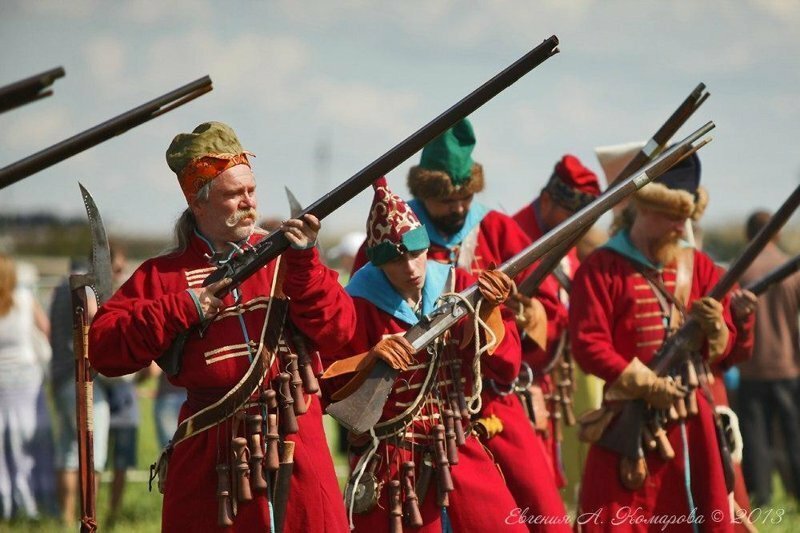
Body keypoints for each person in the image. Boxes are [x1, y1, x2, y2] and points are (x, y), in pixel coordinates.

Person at [88, 121, 356, 531]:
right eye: (233, 194)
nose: (248, 203)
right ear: (199, 203)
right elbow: (105, 349)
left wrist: (305, 265)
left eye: (251, 190)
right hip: (210, 457)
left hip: (296, 441)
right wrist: (184, 307)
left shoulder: (288, 258)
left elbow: (340, 330)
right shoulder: (164, 275)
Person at [321, 178, 528, 532]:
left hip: (458, 441)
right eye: (399, 261)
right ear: (377, 263)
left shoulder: (457, 281)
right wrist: (372, 356)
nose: (413, 270)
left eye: (417, 254)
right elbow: (330, 388)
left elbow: (506, 366)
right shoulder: (358, 304)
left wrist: (491, 310)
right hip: (391, 456)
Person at [569, 153, 737, 531]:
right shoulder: (601, 267)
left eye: (686, 218)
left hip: (691, 419)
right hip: (626, 420)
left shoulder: (702, 267)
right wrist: (646, 384)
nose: (681, 227)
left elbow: (726, 352)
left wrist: (718, 329)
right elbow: (587, 344)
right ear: (644, 208)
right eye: (673, 217)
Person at [511, 154, 602, 496]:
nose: (579, 227)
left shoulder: (563, 237)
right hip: (521, 383)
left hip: (551, 381)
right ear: (548, 200)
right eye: (572, 217)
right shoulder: (515, 237)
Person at [735, 210, 800, 507]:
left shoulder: (741, 270)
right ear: (776, 232)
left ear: (750, 235)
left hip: (750, 369)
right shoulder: (791, 268)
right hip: (788, 366)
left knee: (755, 439)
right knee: (795, 435)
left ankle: (761, 498)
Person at [49, 258, 110, 525]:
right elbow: (98, 315)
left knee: (67, 450)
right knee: (90, 451)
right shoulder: (80, 291)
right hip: (80, 376)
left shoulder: (58, 290)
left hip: (60, 376)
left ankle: (65, 517)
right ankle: (86, 516)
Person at [0, 254, 52, 519]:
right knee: (31, 443)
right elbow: (46, 329)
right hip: (27, 379)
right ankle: (34, 501)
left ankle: (6, 503)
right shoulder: (25, 299)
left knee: (3, 446)